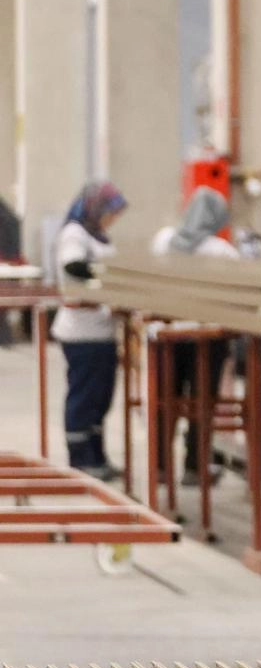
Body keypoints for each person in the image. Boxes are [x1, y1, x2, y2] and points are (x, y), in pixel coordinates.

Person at [150, 186, 239, 484]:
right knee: (202, 403)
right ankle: (195, 466)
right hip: (208, 339)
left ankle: (159, 468)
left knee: (164, 401)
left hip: (167, 336)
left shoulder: (164, 241)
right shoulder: (222, 251)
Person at [52, 181, 128, 480]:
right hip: (82, 332)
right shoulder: (75, 233)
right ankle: (81, 460)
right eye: (110, 213)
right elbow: (73, 266)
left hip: (102, 331)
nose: (112, 219)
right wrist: (109, 278)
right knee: (84, 397)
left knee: (100, 399)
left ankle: (97, 456)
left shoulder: (98, 236)